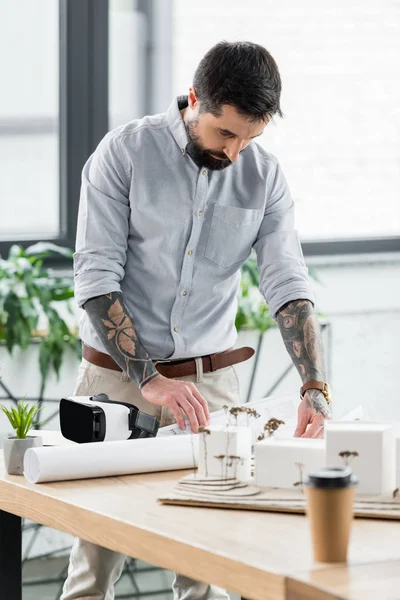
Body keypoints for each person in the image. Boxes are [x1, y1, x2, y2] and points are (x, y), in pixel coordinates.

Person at [61, 41, 331, 600]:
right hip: (116, 382)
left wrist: (314, 385)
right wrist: (150, 379)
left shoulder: (265, 176)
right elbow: (96, 278)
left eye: (250, 138)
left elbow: (287, 284)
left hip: (212, 388)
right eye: (225, 134)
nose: (235, 153)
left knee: (209, 563)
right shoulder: (124, 153)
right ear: (194, 100)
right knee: (95, 566)